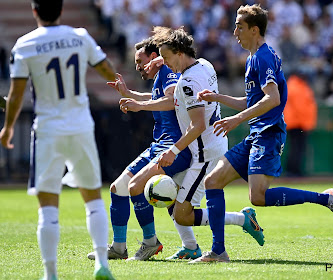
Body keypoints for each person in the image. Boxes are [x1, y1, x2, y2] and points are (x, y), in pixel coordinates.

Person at [192, 4, 333, 263]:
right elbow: (253, 100)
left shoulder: (263, 57)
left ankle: (326, 198)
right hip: (256, 133)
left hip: (268, 133)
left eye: (239, 27)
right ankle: (218, 251)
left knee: (258, 197)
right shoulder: (253, 58)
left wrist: (236, 120)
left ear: (255, 30)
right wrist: (218, 97)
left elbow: (272, 98)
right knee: (213, 182)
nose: (234, 32)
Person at [119, 26, 265, 258]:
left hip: (204, 152)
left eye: (166, 58)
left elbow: (197, 125)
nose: (165, 63)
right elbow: (176, 96)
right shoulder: (204, 64)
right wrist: (156, 71)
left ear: (179, 52)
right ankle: (191, 246)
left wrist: (174, 151)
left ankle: (240, 221)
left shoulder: (186, 82)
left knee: (182, 214)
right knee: (171, 201)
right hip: (209, 145)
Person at [0, 1, 116, 279]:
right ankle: (102, 263)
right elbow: (106, 70)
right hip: (81, 127)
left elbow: (16, 95)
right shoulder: (79, 36)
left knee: (48, 206)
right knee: (93, 199)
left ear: (34, 11)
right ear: (61, 10)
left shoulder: (25, 44)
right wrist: (126, 92)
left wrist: (7, 128)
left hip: (48, 130)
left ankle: (50, 273)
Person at [87, 37, 199, 262]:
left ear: (154, 57)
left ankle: (150, 242)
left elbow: (172, 100)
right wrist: (130, 94)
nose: (137, 65)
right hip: (158, 146)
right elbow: (156, 98)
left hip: (173, 148)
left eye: (140, 60)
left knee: (136, 188)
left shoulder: (167, 73)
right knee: (117, 188)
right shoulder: (161, 76)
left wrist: (140, 106)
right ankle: (118, 247)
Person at [284, 71, 317, 177]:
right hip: (298, 122)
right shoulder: (297, 87)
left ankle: (293, 170)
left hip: (294, 122)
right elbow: (301, 108)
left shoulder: (294, 85)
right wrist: (307, 123)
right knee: (297, 148)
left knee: (295, 147)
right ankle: (294, 171)